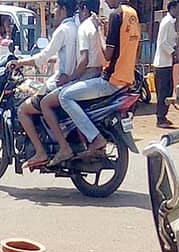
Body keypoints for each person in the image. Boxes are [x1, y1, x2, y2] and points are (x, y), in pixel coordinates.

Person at [9, 0, 79, 169]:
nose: (53, 11)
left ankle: (41, 152)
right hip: (71, 82)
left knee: (22, 110)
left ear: (63, 10)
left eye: (55, 7)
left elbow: (43, 56)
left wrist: (20, 63)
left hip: (59, 84)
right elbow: (63, 56)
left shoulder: (62, 30)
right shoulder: (76, 28)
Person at [56, 0, 114, 159]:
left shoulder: (84, 27)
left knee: (64, 96)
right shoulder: (97, 26)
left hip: (88, 74)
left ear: (84, 9)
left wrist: (69, 78)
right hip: (98, 74)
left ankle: (95, 138)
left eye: (78, 11)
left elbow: (84, 61)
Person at [154, 0, 179, 128]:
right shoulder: (167, 22)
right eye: (177, 8)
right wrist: (173, 52)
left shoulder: (171, 22)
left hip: (166, 63)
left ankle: (163, 116)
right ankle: (160, 118)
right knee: (163, 92)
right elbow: (163, 42)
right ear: (172, 8)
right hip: (162, 64)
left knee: (167, 91)